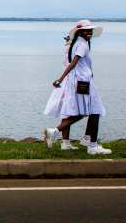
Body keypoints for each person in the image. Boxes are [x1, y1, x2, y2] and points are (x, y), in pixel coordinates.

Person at [43, 20, 111, 155]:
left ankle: (78, 141)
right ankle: (90, 145)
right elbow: (73, 63)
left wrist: (63, 79)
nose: (89, 33)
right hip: (83, 82)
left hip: (76, 81)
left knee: (77, 111)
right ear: (79, 32)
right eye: (86, 30)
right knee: (94, 111)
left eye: (90, 30)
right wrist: (61, 78)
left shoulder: (75, 46)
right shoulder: (82, 45)